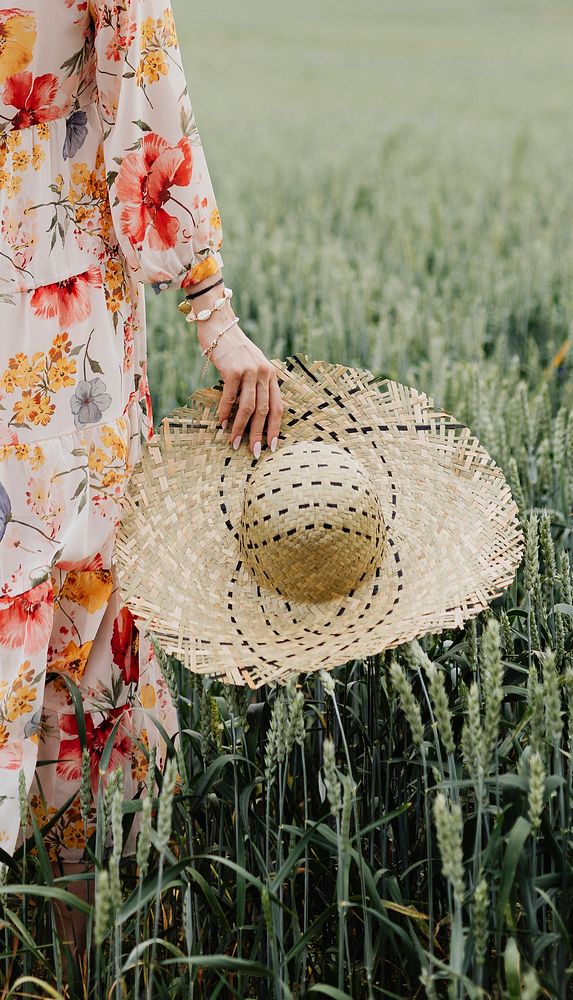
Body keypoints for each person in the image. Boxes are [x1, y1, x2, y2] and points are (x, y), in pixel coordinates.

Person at [0, 0, 283, 953]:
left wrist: (215, 314)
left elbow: (145, 92)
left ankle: (87, 960)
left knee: (71, 611)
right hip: (55, 317)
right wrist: (212, 313)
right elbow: (146, 100)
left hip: (55, 339)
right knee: (69, 627)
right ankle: (87, 958)